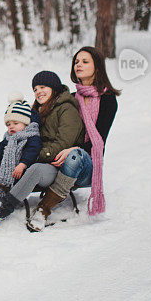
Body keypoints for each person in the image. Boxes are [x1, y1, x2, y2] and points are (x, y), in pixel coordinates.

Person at [0, 71, 85, 231]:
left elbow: (64, 143)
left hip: (53, 166)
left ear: (54, 87)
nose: (38, 92)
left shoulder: (66, 110)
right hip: (28, 158)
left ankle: (1, 209)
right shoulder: (37, 110)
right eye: (35, 89)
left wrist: (30, 156)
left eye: (43, 87)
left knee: (35, 169)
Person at [26, 46, 120, 231]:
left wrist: (72, 149)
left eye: (85, 62)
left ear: (97, 67)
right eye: (76, 61)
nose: (79, 65)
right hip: (61, 155)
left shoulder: (108, 99)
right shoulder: (71, 97)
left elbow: (98, 139)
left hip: (86, 164)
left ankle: (43, 210)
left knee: (74, 156)